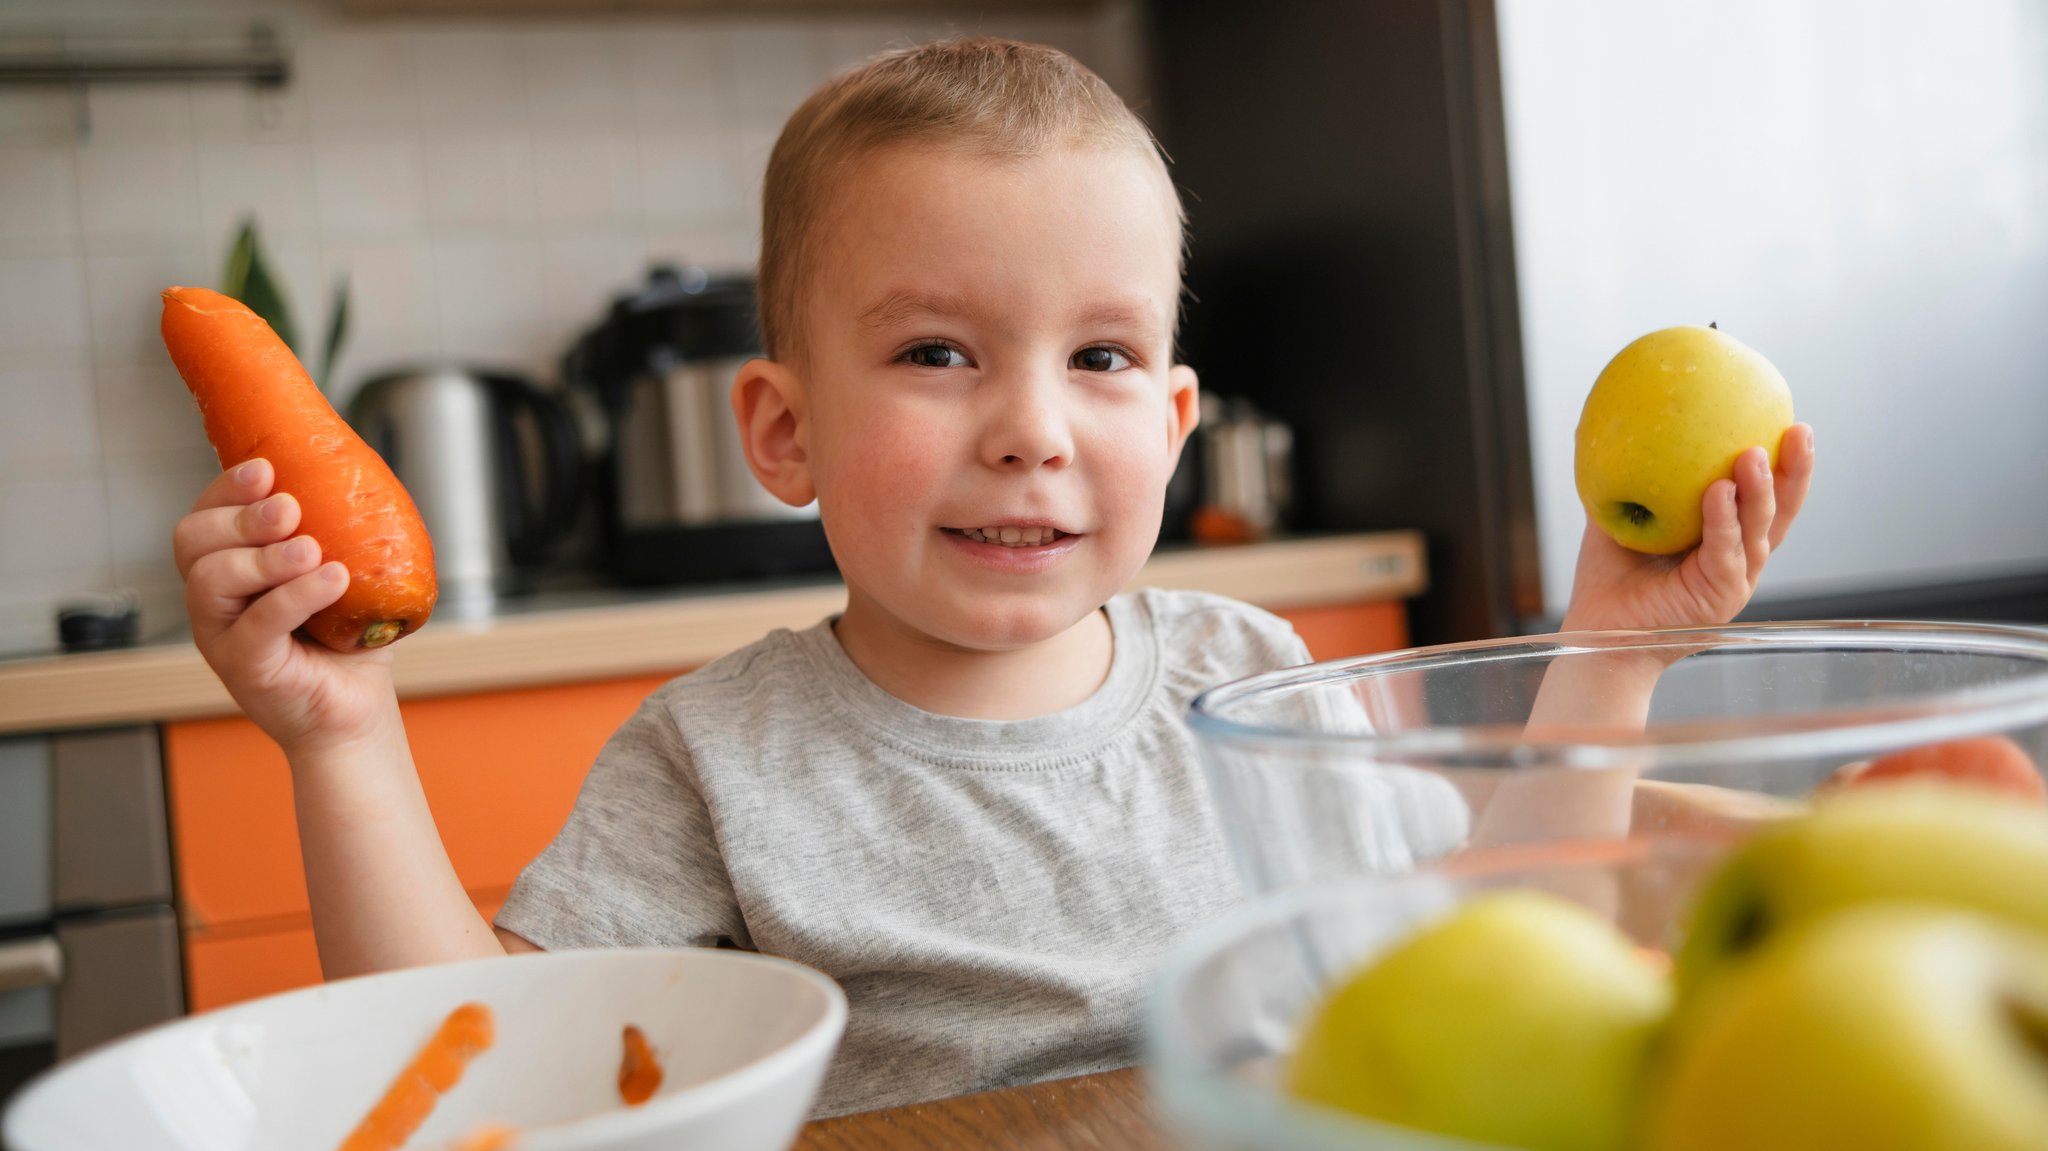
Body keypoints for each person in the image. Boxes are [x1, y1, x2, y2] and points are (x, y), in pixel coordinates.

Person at [171, 37, 1816, 1118]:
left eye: (1101, 357)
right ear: (783, 428)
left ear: (1174, 424)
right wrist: (342, 735)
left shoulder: (1251, 672)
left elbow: (1492, 936)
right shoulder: (714, 757)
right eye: (939, 351)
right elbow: (488, 1073)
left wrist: (1612, 653)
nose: (1032, 430)